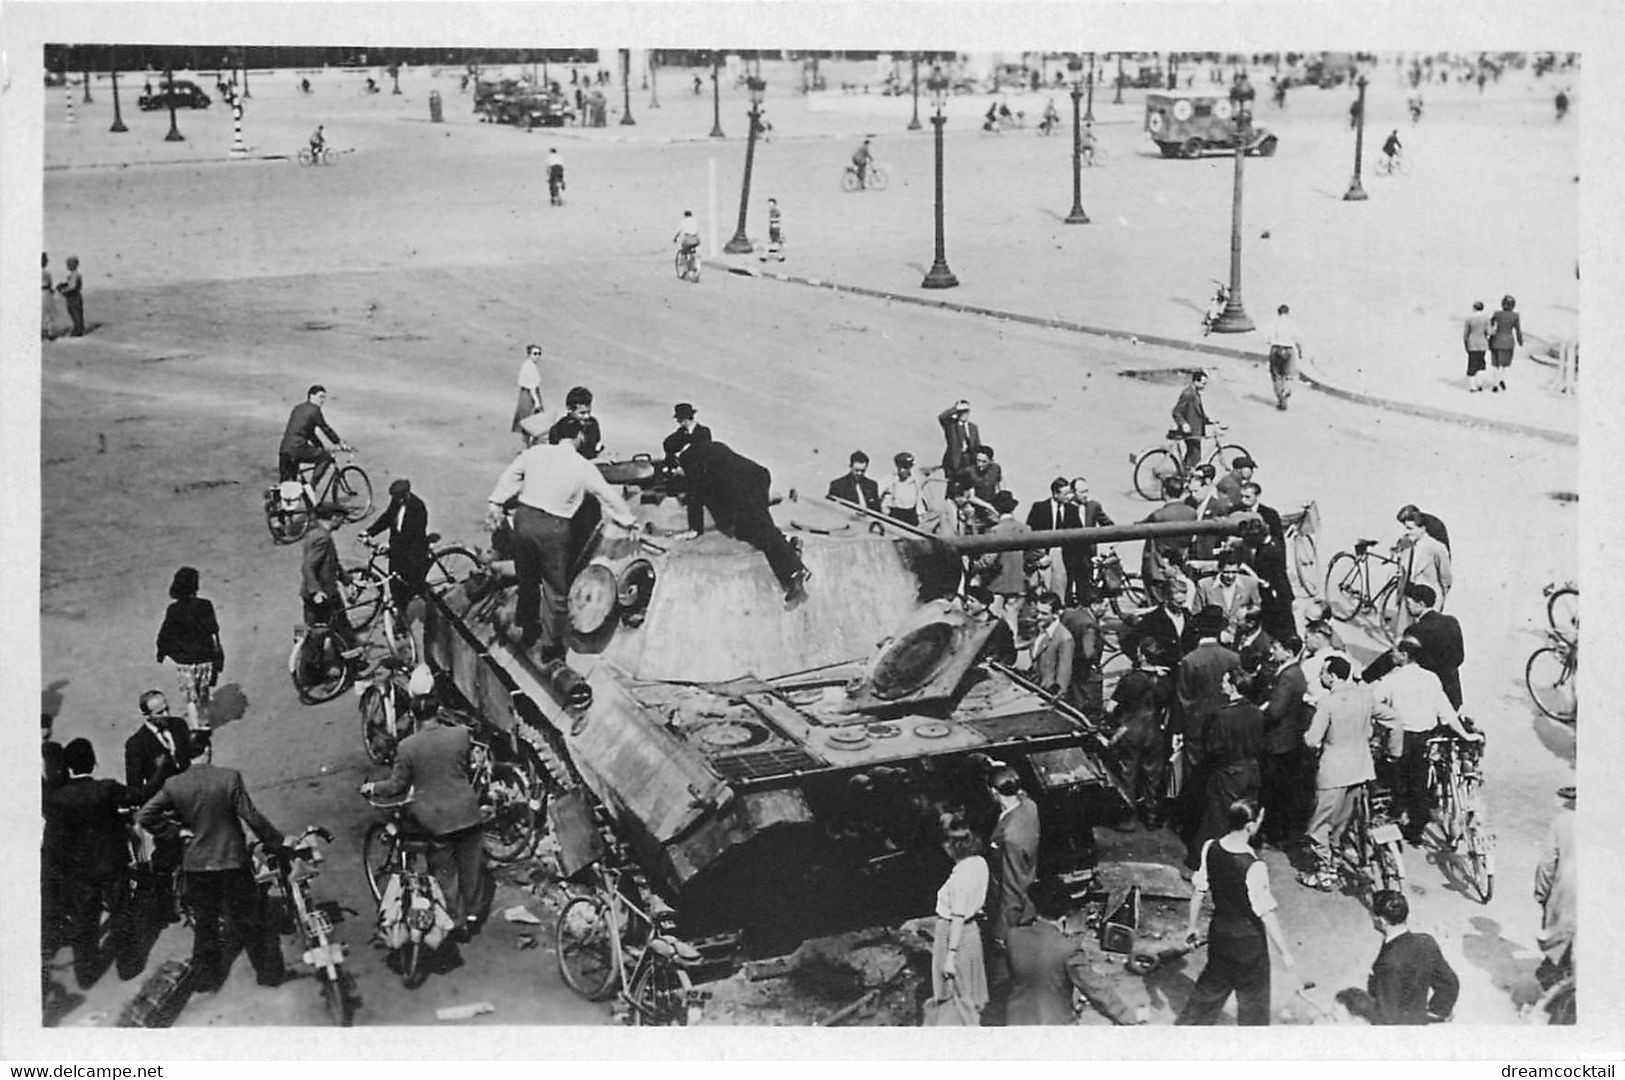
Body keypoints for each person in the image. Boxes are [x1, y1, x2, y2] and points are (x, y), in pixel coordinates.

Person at [137, 728, 288, 992]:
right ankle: (269, 973)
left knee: (205, 924)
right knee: (250, 920)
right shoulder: (229, 778)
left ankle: (206, 979)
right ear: (207, 750)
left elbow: (145, 815)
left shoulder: (174, 785)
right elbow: (251, 817)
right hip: (232, 860)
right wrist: (277, 842)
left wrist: (175, 832)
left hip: (197, 865)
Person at [487, 414, 638, 654]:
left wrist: (495, 502)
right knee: (555, 588)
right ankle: (551, 645)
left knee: (527, 578)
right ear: (579, 437)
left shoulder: (534, 453)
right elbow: (607, 495)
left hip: (524, 521)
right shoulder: (582, 466)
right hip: (554, 527)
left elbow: (510, 477)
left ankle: (527, 629)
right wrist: (628, 520)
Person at [362, 674, 487, 940]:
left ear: (414, 715)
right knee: (471, 867)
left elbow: (396, 785)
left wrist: (372, 788)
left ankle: (456, 919)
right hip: (467, 811)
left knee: (445, 873)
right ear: (438, 709)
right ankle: (474, 913)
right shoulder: (460, 735)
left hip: (435, 820)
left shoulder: (407, 747)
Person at [1176, 799, 1300, 1025]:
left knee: (1208, 993)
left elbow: (1198, 891)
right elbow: (1266, 913)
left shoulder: (1209, 847)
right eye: (1260, 820)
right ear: (1250, 826)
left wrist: (1191, 928)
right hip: (1249, 944)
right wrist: (1285, 953)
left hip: (1220, 934)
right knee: (1254, 1006)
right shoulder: (1254, 865)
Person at [1370, 637, 1484, 845]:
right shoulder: (1430, 678)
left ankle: (1397, 817)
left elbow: (1372, 702)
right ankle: (1416, 828)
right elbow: (1446, 711)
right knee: (1420, 782)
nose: (1391, 654)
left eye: (1394, 651)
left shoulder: (1392, 680)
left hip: (1401, 738)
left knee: (1396, 779)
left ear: (1404, 656)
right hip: (1426, 739)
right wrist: (1465, 735)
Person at [45, 738, 139, 988]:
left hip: (79, 872)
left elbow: (54, 840)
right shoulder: (107, 788)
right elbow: (138, 795)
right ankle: (127, 965)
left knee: (84, 921)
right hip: (111, 863)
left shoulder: (58, 798)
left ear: (68, 767)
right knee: (121, 912)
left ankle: (85, 974)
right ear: (93, 762)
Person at [674, 437, 811, 606]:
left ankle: (794, 573)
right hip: (757, 478)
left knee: (750, 530)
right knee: (761, 529)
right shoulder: (710, 447)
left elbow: (695, 491)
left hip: (742, 489)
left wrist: (695, 528)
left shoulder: (688, 458)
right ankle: (790, 553)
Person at [1005, 877, 1142, 1025]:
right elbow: (1095, 989)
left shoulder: (1014, 937)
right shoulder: (1068, 949)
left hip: (1016, 1022)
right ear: (1064, 917)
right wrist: (1128, 1016)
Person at [1296, 655, 1377, 890]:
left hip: (1333, 773)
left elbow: (1312, 741)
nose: (1321, 676)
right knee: (1343, 821)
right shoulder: (1365, 698)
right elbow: (1392, 719)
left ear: (1331, 676)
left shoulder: (1327, 704)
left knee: (1319, 824)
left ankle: (1324, 870)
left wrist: (1305, 736)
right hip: (1360, 769)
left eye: (1323, 672)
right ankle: (1336, 860)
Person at [1188, 667, 1265, 870]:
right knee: (1244, 818)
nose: (1221, 684)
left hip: (1228, 773)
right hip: (1252, 772)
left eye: (1224, 681)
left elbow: (1214, 749)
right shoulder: (1257, 712)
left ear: (1232, 687)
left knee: (1217, 819)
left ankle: (1201, 864)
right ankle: (1240, 860)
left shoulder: (1222, 716)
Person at [1366, 889, 1459, 1024]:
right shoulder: (1427, 942)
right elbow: (1449, 984)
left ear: (1381, 920)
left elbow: (1387, 1016)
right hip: (1419, 1019)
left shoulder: (1388, 964)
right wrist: (1435, 1014)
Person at [930, 816, 990, 1025]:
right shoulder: (980, 863)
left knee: (957, 992)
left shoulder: (959, 879)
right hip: (972, 931)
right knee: (970, 989)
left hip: (955, 934)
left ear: (951, 847)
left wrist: (950, 956)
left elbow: (957, 917)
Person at [1107, 638, 1173, 826]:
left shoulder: (1130, 679)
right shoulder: (1166, 679)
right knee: (1153, 776)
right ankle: (1152, 817)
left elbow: (1110, 708)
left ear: (1143, 657)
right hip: (1155, 731)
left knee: (1128, 774)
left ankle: (1128, 818)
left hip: (1131, 730)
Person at [155, 566, 224, 732]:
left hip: (185, 661)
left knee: (190, 697)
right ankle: (205, 722)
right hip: (205, 659)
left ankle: (195, 727)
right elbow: (213, 629)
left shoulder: (173, 610)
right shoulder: (205, 605)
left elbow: (166, 633)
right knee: (204, 693)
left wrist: (162, 651)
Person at [1257, 634, 1310, 847]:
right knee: (1280, 790)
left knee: (1271, 790)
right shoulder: (1296, 672)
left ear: (1288, 652)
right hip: (1288, 740)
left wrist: (1261, 712)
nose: (1272, 651)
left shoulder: (1288, 676)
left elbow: (1276, 711)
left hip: (1277, 741)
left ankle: (1270, 833)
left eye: (1276, 647)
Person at [366, 478, 431, 615]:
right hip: (397, 550)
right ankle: (400, 610)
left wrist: (389, 545)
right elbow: (387, 518)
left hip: (412, 552)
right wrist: (369, 532)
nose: (397, 500)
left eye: (399, 497)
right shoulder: (397, 501)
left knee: (410, 587)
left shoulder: (417, 507)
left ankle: (409, 617)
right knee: (395, 584)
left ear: (406, 494)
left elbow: (410, 534)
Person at [1533, 785, 1575, 989]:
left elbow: (1547, 864)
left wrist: (1542, 894)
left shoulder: (1563, 822)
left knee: (1557, 959)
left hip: (1566, 900)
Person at [301, 505, 358, 653]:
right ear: (334, 518)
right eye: (341, 519)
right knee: (343, 629)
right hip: (325, 594)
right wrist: (317, 591)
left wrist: (345, 578)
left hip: (308, 593)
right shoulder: (323, 538)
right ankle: (352, 665)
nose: (342, 522)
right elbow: (308, 566)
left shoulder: (314, 532)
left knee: (314, 632)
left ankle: (311, 668)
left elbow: (331, 562)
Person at [1400, 583, 1464, 708]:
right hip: (1453, 692)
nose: (1407, 607)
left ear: (1421, 604)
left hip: (1427, 694)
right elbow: (1459, 657)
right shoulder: (1452, 621)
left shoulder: (1415, 630)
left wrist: (1366, 677)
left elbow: (1396, 657)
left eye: (1409, 603)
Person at [278, 384, 351, 484]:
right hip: (298, 449)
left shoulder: (298, 408)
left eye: (324, 397)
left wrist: (319, 446)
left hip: (285, 450)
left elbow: (309, 433)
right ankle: (312, 487)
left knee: (286, 486)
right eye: (320, 397)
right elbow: (325, 429)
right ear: (311, 396)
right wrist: (339, 442)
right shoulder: (314, 410)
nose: (322, 400)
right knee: (326, 457)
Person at [1025, 478, 1080, 601]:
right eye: (1065, 494)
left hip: (1062, 556)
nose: (1069, 497)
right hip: (1042, 555)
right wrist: (1037, 557)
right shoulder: (1039, 508)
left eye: (1070, 493)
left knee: (1060, 590)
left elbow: (1078, 535)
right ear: (1055, 494)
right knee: (1040, 590)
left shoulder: (1072, 510)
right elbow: (1030, 535)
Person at [1395, 508, 1453, 616]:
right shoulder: (1406, 544)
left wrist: (1439, 600)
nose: (1406, 532)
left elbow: (1446, 579)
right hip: (1408, 599)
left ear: (1422, 529)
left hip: (1427, 603)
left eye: (1410, 528)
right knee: (1403, 632)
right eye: (1405, 528)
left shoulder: (1437, 548)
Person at [1195, 550, 1262, 643]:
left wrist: (1246, 613)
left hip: (1241, 637)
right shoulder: (1204, 585)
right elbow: (1196, 614)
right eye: (1226, 572)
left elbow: (1258, 607)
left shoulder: (1249, 583)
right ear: (1219, 569)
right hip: (1215, 639)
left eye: (1234, 572)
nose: (1230, 576)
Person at [1066, 477, 1113, 605]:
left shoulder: (1094, 506)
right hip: (1071, 554)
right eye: (1082, 492)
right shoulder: (1066, 506)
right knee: (1068, 585)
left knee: (1085, 585)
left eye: (1086, 491)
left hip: (1088, 554)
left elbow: (1107, 524)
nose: (1085, 495)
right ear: (1073, 492)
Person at [1059, 594, 1107, 718]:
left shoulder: (1069, 613)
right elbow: (1088, 652)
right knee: (1088, 705)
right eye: (1104, 606)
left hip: (1067, 664)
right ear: (1094, 605)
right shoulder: (1089, 626)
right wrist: (1095, 663)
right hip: (1084, 671)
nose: (1106, 609)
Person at [1027, 594, 1073, 699]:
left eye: (1044, 614)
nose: (1039, 617)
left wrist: (1057, 695)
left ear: (1056, 614)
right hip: (1033, 688)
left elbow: (1063, 675)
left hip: (1047, 693)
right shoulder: (1038, 629)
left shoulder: (1064, 638)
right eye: (1037, 612)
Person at [1261, 304, 1302, 411]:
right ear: (1288, 312)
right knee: (1287, 375)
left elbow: (1266, 338)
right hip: (1289, 349)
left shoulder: (1273, 323)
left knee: (1277, 375)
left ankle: (1280, 397)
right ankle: (1286, 390)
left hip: (1276, 349)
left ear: (1278, 312)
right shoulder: (1292, 323)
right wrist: (1300, 351)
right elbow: (1298, 339)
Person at [1171, 370, 1213, 469]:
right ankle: (1184, 475)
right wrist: (1184, 424)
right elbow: (1176, 412)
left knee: (1193, 455)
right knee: (1195, 455)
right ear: (1196, 381)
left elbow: (1197, 411)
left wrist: (1208, 420)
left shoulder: (1195, 393)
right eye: (1203, 383)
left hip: (1195, 431)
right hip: (1190, 431)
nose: (1204, 386)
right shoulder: (1188, 393)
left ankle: (1184, 474)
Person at [936, 399, 983, 484]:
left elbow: (977, 445)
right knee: (954, 489)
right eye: (961, 411)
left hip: (969, 462)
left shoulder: (973, 427)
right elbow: (942, 417)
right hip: (954, 463)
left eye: (966, 411)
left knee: (969, 487)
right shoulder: (951, 426)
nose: (963, 414)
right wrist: (956, 408)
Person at [879, 452, 930, 527]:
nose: (902, 470)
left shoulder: (916, 482)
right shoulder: (890, 480)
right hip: (894, 518)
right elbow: (876, 493)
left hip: (911, 519)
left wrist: (922, 517)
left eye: (905, 467)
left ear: (910, 467)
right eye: (899, 467)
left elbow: (920, 504)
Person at [1487, 293, 1523, 392]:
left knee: (1495, 364)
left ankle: (1495, 383)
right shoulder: (1515, 316)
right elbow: (1518, 330)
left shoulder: (1497, 314)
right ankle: (1501, 380)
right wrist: (1520, 341)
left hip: (1495, 340)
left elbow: (1490, 326)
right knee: (1504, 365)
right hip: (1508, 342)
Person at [512, 344, 546, 445]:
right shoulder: (530, 367)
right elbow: (532, 388)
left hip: (525, 395)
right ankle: (530, 446)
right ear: (529, 354)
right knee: (533, 421)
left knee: (527, 422)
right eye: (535, 354)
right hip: (529, 397)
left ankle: (528, 445)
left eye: (539, 354)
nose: (537, 356)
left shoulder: (527, 365)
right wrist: (537, 402)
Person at [661, 402, 712, 470]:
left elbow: (702, 452)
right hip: (678, 468)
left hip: (697, 469)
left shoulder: (703, 432)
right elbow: (667, 444)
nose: (678, 422)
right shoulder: (680, 433)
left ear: (685, 419)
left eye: (680, 419)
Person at [1462, 300, 1491, 392]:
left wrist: (1466, 344)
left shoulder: (1469, 319)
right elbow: (1489, 332)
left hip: (1472, 343)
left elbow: (1466, 334)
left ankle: (1472, 386)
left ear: (1474, 308)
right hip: (1482, 343)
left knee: (1471, 365)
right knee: (1481, 364)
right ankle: (1480, 384)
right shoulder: (1486, 318)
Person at [56, 255, 86, 337]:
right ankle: (78, 328)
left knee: (75, 312)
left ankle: (78, 330)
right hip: (72, 296)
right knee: (73, 312)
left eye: (69, 264)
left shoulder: (75, 275)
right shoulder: (74, 274)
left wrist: (63, 290)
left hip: (74, 296)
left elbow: (72, 287)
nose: (67, 266)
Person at [42, 253, 62, 341]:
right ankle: (49, 332)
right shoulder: (47, 273)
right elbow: (50, 286)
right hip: (45, 293)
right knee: (50, 313)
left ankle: (43, 331)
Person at [760, 197, 785, 262]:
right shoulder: (772, 211)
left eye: (771, 205)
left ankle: (765, 256)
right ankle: (779, 257)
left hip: (775, 229)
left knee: (774, 243)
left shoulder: (775, 212)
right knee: (776, 243)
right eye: (769, 205)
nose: (770, 206)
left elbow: (776, 220)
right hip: (773, 229)